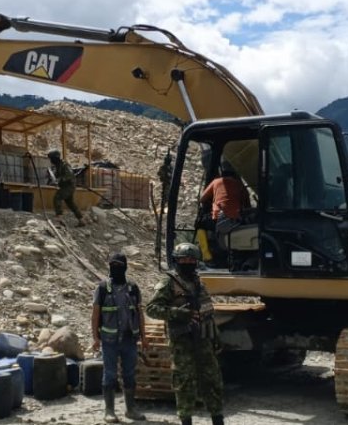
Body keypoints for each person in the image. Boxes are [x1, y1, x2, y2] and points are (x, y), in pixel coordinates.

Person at [145, 243, 224, 425]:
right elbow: (151, 309)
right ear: (176, 261)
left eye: (191, 260)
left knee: (213, 381)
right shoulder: (168, 283)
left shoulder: (199, 283)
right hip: (182, 343)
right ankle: (186, 420)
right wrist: (178, 313)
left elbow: (207, 312)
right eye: (183, 259)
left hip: (204, 340)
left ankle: (217, 419)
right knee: (184, 384)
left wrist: (216, 335)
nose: (187, 262)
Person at [91, 253, 147, 423]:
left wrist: (144, 337)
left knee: (129, 374)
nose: (115, 268)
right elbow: (95, 315)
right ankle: (109, 411)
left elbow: (139, 313)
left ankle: (131, 410)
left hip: (130, 340)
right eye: (112, 265)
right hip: (109, 341)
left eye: (118, 265)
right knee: (109, 375)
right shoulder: (102, 288)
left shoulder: (133, 287)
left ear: (125, 267)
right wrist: (95, 338)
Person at [199, 160, 250, 238]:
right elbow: (246, 201)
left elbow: (202, 199)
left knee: (200, 224)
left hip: (217, 218)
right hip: (236, 220)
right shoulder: (238, 184)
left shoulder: (216, 182)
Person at [47, 150, 86, 226]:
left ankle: (59, 219)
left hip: (69, 186)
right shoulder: (58, 166)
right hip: (65, 186)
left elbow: (69, 175)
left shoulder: (64, 165)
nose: (50, 160)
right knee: (70, 203)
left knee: (57, 197)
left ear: (55, 158)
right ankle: (81, 220)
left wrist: (59, 180)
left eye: (51, 158)